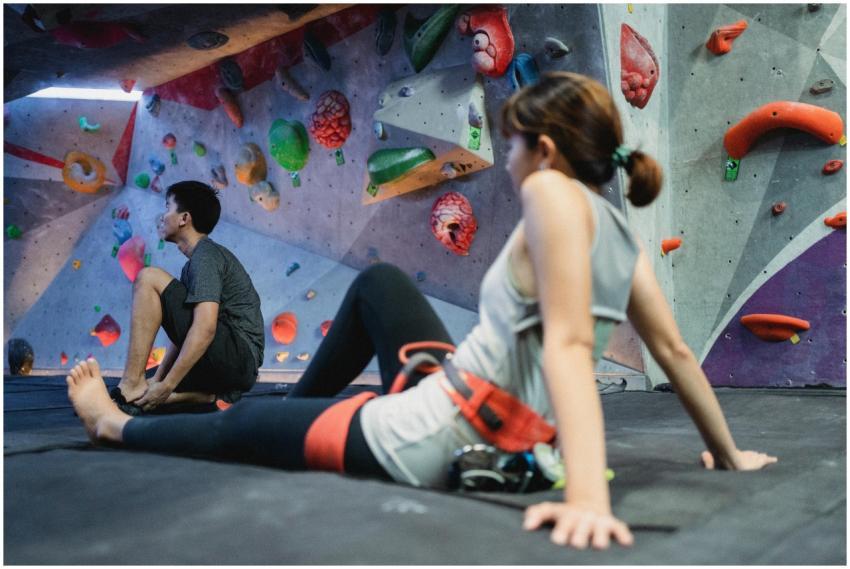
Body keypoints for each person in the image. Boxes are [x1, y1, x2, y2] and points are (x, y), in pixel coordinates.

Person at [68, 73, 776, 550]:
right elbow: (677, 353)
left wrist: (589, 495)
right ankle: (302, 418)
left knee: (244, 423)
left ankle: (116, 424)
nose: (507, 162)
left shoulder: (553, 197)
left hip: (435, 433)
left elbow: (564, 348)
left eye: (515, 146)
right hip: (475, 401)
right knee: (379, 284)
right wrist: (729, 449)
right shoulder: (621, 233)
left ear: (548, 151)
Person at [112, 181, 264, 413]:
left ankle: (131, 384)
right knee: (156, 388)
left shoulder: (206, 256)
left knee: (148, 276)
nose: (162, 217)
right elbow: (187, 330)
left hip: (237, 357)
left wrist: (168, 384)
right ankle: (205, 396)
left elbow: (204, 329)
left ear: (184, 218)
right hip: (236, 366)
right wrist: (161, 379)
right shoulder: (193, 265)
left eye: (167, 208)